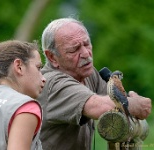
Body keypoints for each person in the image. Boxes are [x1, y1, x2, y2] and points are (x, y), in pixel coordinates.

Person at [37, 17, 152, 150]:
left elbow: (114, 103)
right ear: (52, 57)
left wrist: (128, 104)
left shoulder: (87, 73)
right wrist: (135, 103)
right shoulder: (50, 83)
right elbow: (100, 106)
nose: (86, 54)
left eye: (86, 44)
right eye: (74, 49)